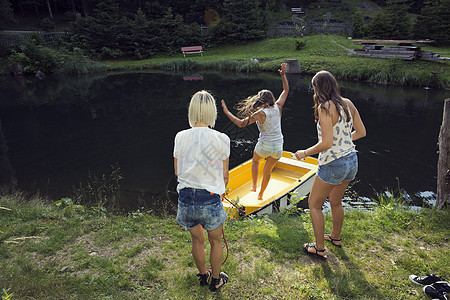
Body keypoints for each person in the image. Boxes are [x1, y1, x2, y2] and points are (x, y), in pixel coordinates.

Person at [294, 70, 366, 260]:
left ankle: (319, 248)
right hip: (351, 160)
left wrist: (304, 153)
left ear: (318, 87)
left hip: (333, 164)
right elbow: (361, 132)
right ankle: (335, 237)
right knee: (335, 201)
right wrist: (343, 144)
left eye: (313, 86)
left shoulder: (325, 108)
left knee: (314, 204)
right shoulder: (348, 103)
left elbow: (326, 143)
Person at [173, 90, 230, 291]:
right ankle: (216, 280)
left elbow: (178, 172)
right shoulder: (222, 138)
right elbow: (224, 174)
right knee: (215, 242)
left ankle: (203, 276)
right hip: (210, 198)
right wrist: (222, 191)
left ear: (192, 111)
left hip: (186, 198)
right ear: (212, 112)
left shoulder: (180, 137)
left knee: (197, 240)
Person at [221, 63, 289, 200]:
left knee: (256, 161)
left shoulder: (259, 113)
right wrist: (283, 75)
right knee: (268, 170)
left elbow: (240, 124)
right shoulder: (278, 106)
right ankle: (261, 194)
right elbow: (286, 91)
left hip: (264, 145)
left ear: (260, 100)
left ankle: (253, 186)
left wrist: (227, 112)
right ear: (271, 99)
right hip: (278, 146)